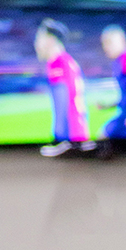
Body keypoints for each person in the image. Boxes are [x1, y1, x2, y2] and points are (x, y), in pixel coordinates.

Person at [34, 20, 90, 154]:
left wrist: (58, 139)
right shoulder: (65, 61)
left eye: (38, 39)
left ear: (50, 40)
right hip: (76, 134)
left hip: (70, 138)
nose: (36, 44)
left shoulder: (58, 64)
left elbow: (62, 103)